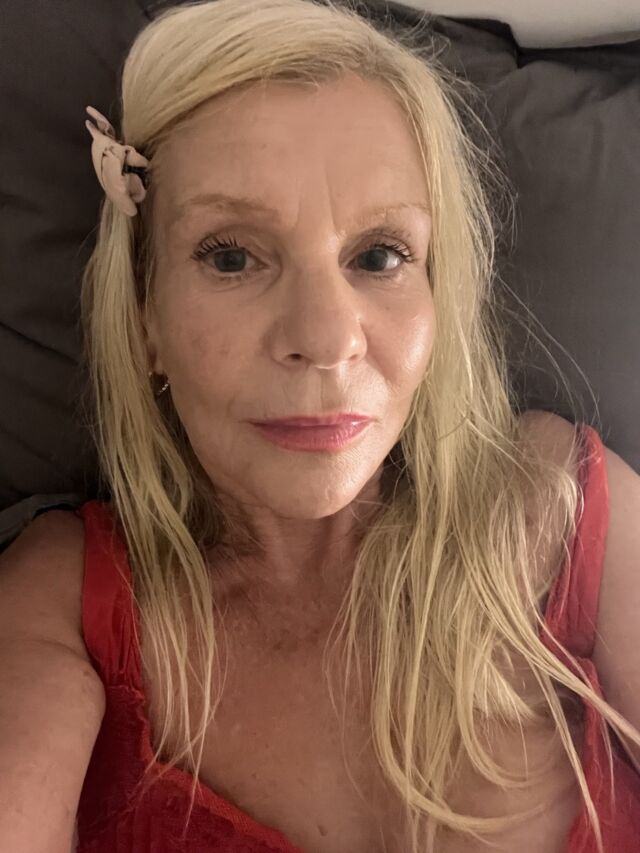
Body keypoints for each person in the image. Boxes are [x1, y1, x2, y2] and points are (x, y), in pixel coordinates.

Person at [1, 1, 639, 852]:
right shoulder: (68, 602)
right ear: (145, 313)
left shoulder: (565, 510)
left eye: (379, 255)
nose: (327, 338)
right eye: (232, 256)